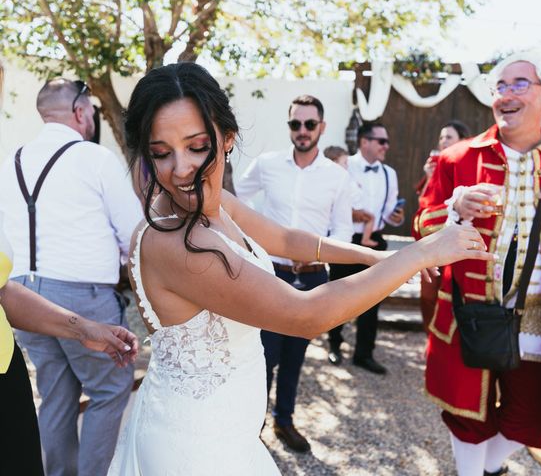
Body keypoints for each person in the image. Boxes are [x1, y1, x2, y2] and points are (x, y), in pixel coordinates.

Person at [106, 62, 492, 475]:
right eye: (161, 153)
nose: (181, 168)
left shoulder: (211, 202)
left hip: (224, 429)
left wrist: (372, 256)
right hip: (195, 446)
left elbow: (290, 240)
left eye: (197, 147)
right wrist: (419, 254)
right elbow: (304, 315)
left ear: (227, 138)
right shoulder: (179, 242)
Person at [413, 52, 541, 476]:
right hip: (469, 312)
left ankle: (487, 468)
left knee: (530, 416)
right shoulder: (456, 159)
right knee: (467, 412)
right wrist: (455, 210)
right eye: (499, 86)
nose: (506, 94)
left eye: (519, 84)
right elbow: (422, 229)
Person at [0, 60, 138, 476]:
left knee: (56, 398)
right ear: (80, 112)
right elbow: (135, 236)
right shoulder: (95, 159)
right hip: (84, 297)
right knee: (110, 391)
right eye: (93, 112)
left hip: (21, 295)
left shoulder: (10, 161)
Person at [235, 95, 353, 453]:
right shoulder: (267, 164)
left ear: (322, 127)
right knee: (264, 354)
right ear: (289, 126)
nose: (302, 131)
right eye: (295, 124)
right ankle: (249, 426)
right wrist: (256, 242)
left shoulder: (337, 177)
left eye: (309, 124)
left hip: (313, 279)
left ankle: (283, 421)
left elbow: (344, 231)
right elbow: (237, 200)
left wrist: (317, 251)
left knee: (295, 355)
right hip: (270, 275)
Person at [327, 122, 404, 374]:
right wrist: (352, 213)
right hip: (346, 240)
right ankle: (334, 343)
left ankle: (364, 354)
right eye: (381, 141)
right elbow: (330, 200)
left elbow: (390, 210)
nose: (386, 146)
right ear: (364, 142)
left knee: (373, 299)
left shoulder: (390, 173)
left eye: (387, 142)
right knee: (338, 295)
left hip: (376, 240)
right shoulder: (342, 166)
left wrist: (395, 218)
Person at [415, 121, 470, 333]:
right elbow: (423, 203)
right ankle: (431, 337)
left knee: (450, 294)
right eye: (441, 137)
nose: (443, 141)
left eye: (448, 137)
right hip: (430, 243)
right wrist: (430, 177)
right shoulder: (435, 166)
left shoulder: (464, 166)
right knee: (427, 294)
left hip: (454, 241)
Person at [324, 145, 378, 248]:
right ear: (334, 163)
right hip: (351, 210)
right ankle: (366, 239)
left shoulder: (345, 177)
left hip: (352, 213)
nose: (347, 166)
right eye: (345, 163)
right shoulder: (335, 180)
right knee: (371, 218)